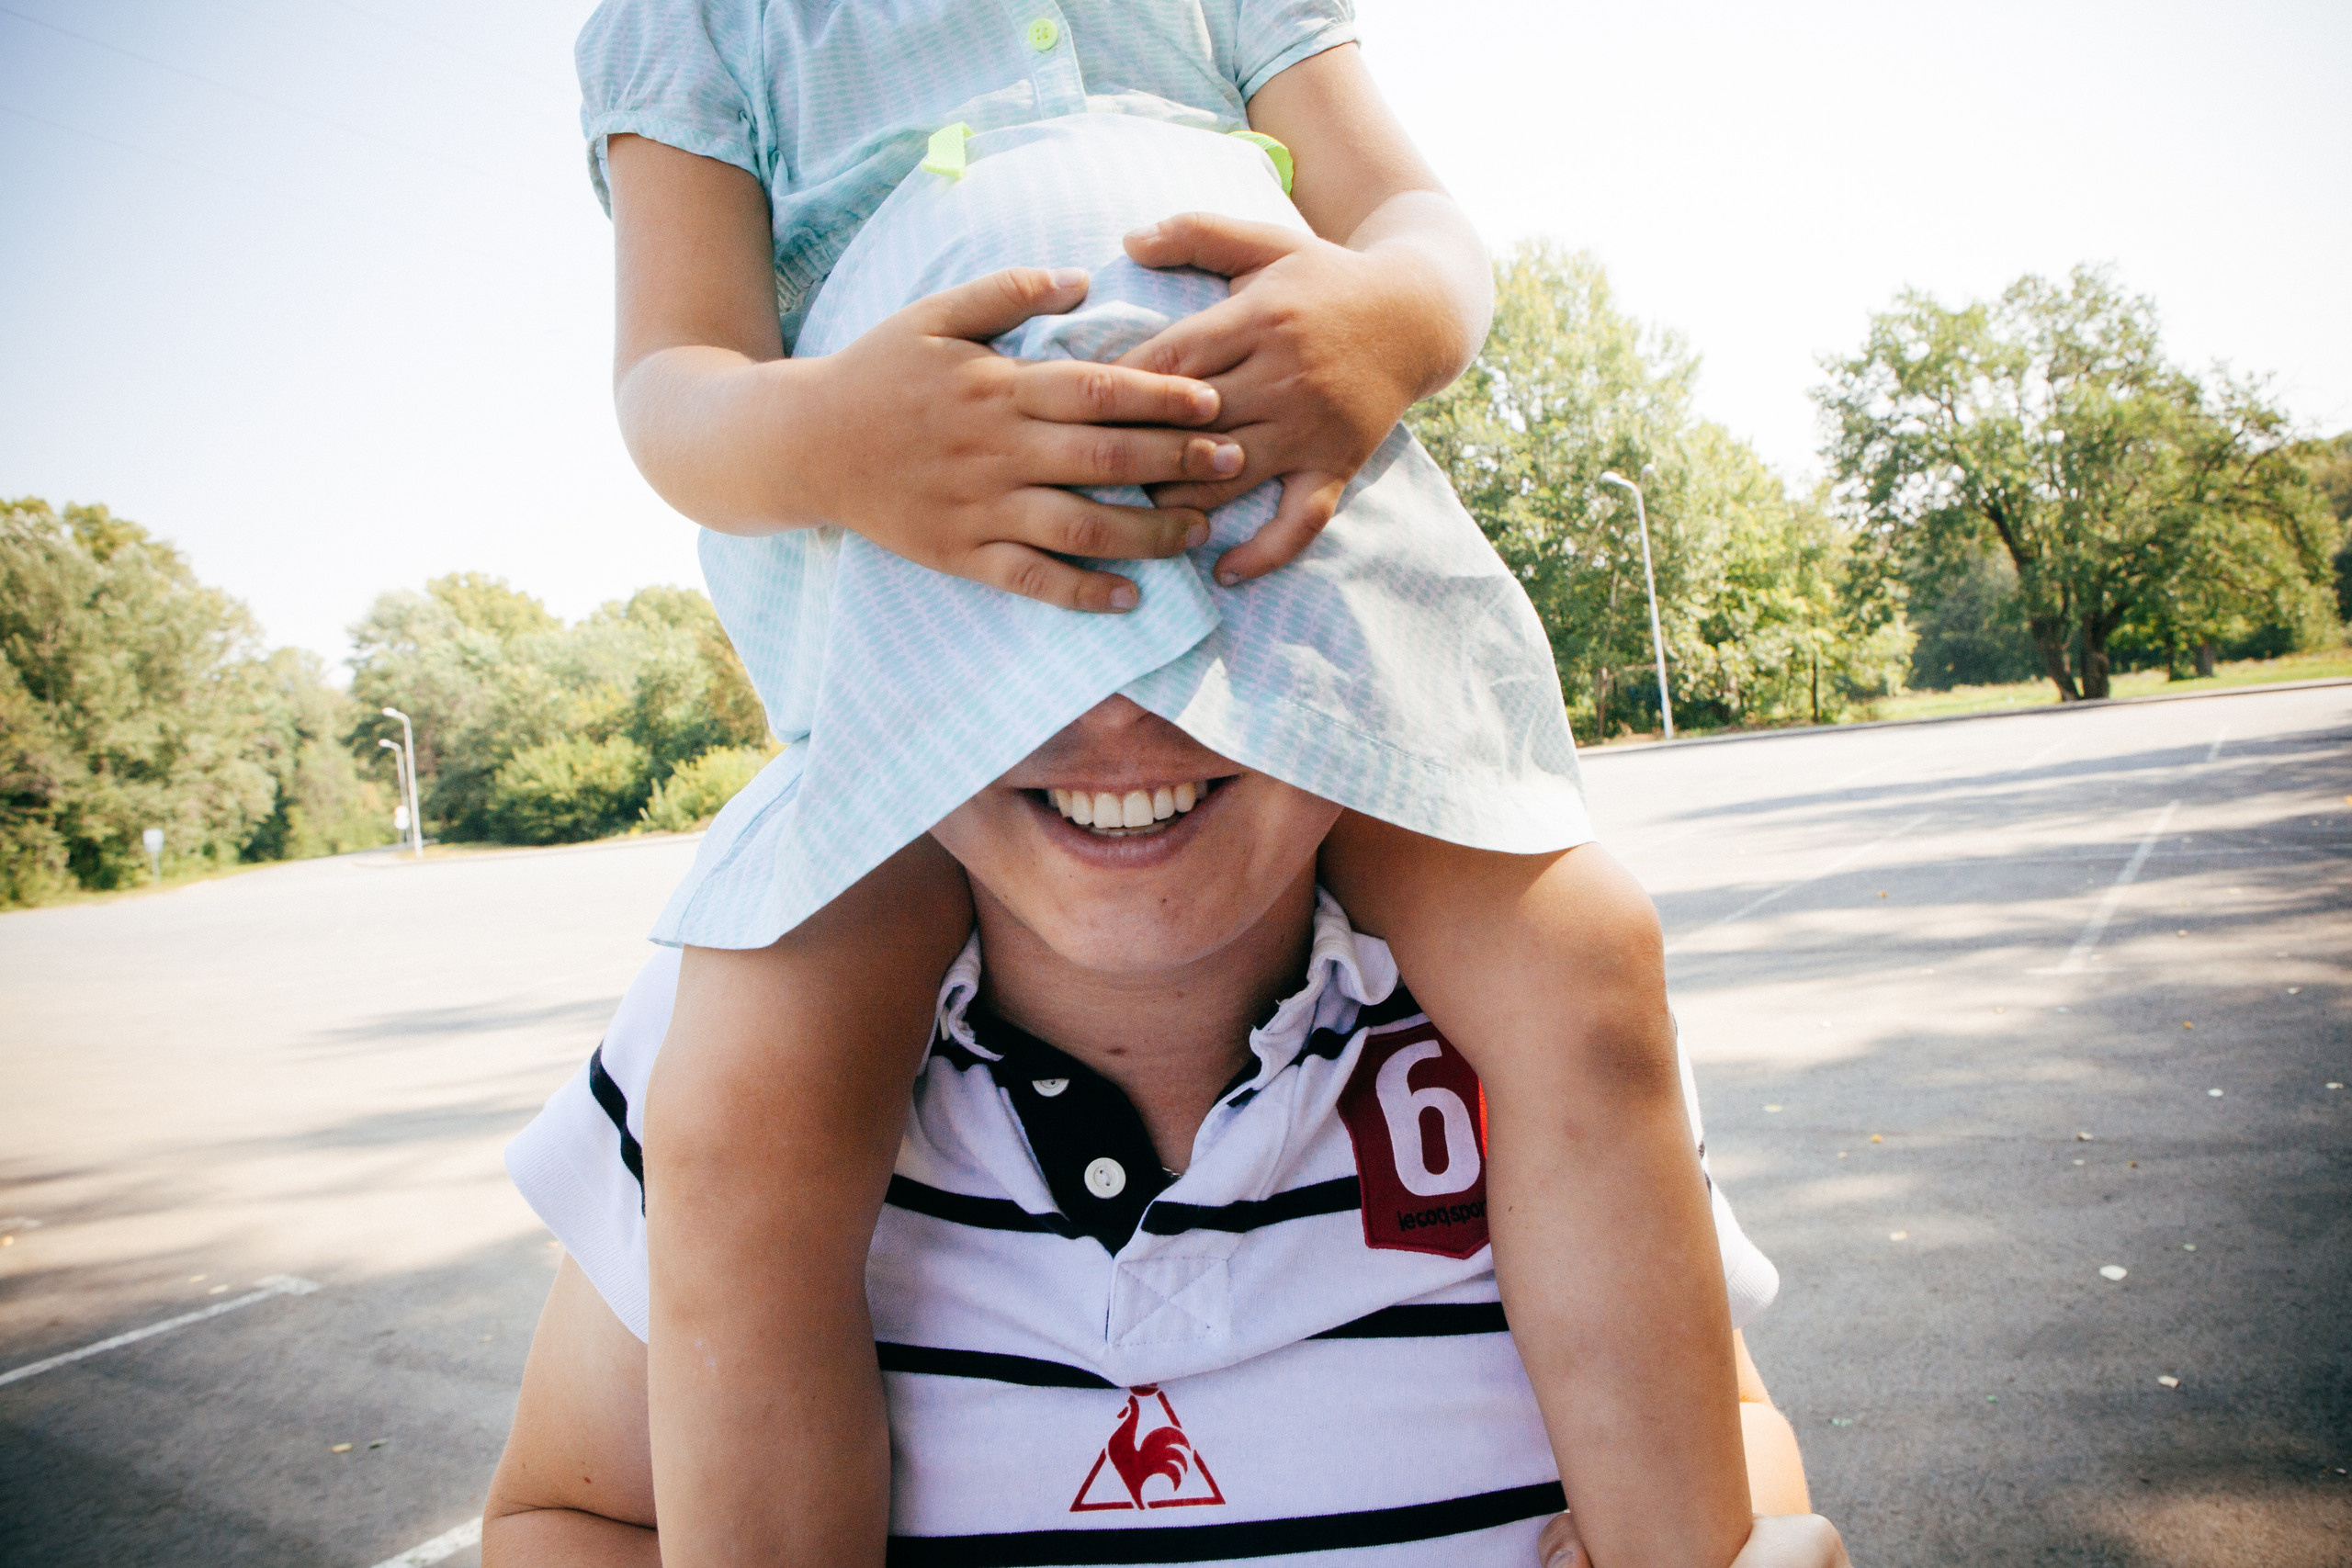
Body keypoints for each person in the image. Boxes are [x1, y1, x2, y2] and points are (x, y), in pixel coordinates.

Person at [581, 3, 1748, 1562]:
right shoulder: (700, 20)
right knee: (740, 1101)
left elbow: (1416, 215)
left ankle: (1694, 1552)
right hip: (937, 582)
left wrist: (1399, 315)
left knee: (1585, 966)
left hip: (1294, 553)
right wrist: (827, 437)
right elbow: (673, 382)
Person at [490, 697, 1849, 1568]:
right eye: (1003, 617)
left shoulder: (1533, 1016)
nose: (1120, 709)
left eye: (1211, 580)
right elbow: (571, 1518)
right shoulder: (725, 1059)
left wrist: (1749, 1540)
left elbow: (1733, 1425)